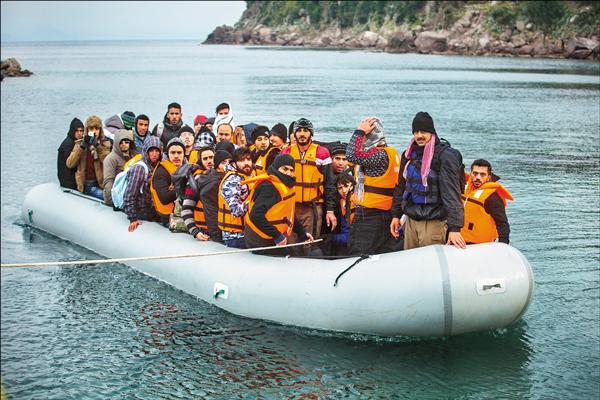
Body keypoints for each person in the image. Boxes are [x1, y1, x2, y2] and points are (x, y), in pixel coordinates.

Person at [390, 112, 466, 250]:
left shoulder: (445, 156)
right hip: (411, 220)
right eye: (416, 132)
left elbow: (451, 193)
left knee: (430, 265)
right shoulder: (408, 155)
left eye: (424, 131)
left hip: (434, 222)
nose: (419, 135)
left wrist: (455, 228)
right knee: (410, 262)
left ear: (432, 132)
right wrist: (396, 215)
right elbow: (401, 187)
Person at [346, 117, 402, 255]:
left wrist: (359, 132)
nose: (361, 141)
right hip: (379, 215)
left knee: (358, 254)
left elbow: (351, 155)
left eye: (364, 137)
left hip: (372, 218)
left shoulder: (379, 155)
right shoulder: (389, 153)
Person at [243, 154, 313, 255]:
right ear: (276, 168)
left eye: (291, 170)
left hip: (271, 235)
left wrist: (302, 233)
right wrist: (277, 235)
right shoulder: (269, 187)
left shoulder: (286, 186)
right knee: (289, 255)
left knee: (292, 254)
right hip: (259, 238)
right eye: (285, 169)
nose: (288, 173)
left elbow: (289, 214)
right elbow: (256, 215)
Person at [281, 118, 331, 241]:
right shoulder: (286, 152)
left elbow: (330, 184)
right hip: (291, 206)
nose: (302, 134)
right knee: (290, 241)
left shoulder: (322, 153)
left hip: (312, 207)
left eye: (305, 131)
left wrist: (330, 210)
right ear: (294, 134)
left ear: (311, 133)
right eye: (298, 131)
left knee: (310, 241)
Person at [181, 149, 231, 242]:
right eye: (205, 158)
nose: (209, 161)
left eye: (211, 157)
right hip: (204, 233)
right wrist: (195, 232)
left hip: (225, 231)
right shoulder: (195, 180)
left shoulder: (230, 178)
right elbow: (186, 209)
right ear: (200, 161)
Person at [461, 159, 512, 244]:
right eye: (475, 173)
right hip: (458, 242)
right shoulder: (463, 188)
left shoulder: (492, 197)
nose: (478, 177)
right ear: (471, 174)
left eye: (482, 174)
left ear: (489, 177)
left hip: (481, 246)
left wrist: (503, 245)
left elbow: (502, 223)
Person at [66, 115, 111, 200]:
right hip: (87, 185)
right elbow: (70, 164)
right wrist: (82, 147)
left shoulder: (105, 144)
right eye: (91, 129)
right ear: (87, 130)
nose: (94, 132)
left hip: (102, 184)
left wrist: (98, 146)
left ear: (100, 130)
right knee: (106, 197)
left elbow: (108, 162)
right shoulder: (80, 144)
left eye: (96, 129)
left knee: (112, 196)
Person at [123, 136, 162, 232]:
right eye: (151, 151)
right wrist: (133, 218)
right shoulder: (140, 168)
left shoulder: (159, 165)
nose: (154, 154)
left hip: (154, 210)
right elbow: (129, 195)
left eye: (157, 151)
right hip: (142, 211)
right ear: (146, 151)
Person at [218, 147, 253, 248]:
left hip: (246, 232)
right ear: (234, 163)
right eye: (242, 160)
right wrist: (256, 202)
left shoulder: (247, 175)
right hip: (235, 236)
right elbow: (236, 211)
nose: (246, 163)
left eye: (248, 159)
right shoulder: (233, 181)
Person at [150, 137, 186, 226]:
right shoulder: (161, 171)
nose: (176, 156)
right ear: (168, 154)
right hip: (169, 218)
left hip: (184, 212)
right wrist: (185, 186)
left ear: (184, 154)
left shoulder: (187, 167)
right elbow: (165, 198)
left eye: (179, 152)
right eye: (173, 152)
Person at [103, 129, 135, 207]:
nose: (124, 144)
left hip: (132, 194)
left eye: (126, 142)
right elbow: (108, 181)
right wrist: (113, 201)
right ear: (116, 143)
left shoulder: (134, 155)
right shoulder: (110, 159)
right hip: (117, 197)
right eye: (121, 142)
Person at [323, 143, 351, 232]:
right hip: (327, 208)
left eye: (344, 159)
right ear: (331, 159)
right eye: (337, 159)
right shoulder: (326, 170)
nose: (341, 163)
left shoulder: (352, 172)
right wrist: (330, 210)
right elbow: (329, 189)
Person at [57, 118, 84, 189]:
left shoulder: (77, 141)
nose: (79, 133)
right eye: (76, 131)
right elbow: (70, 165)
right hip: (68, 182)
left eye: (81, 131)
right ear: (72, 131)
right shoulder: (68, 144)